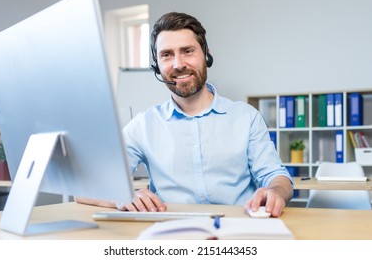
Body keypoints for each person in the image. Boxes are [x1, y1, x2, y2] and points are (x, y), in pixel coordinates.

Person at [76, 12, 293, 217]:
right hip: (171, 234)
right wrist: (120, 198)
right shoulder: (144, 125)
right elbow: (85, 186)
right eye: (167, 55)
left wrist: (275, 192)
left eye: (187, 51)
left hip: (237, 231)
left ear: (206, 54)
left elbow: (277, 176)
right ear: (157, 66)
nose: (178, 64)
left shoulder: (246, 117)